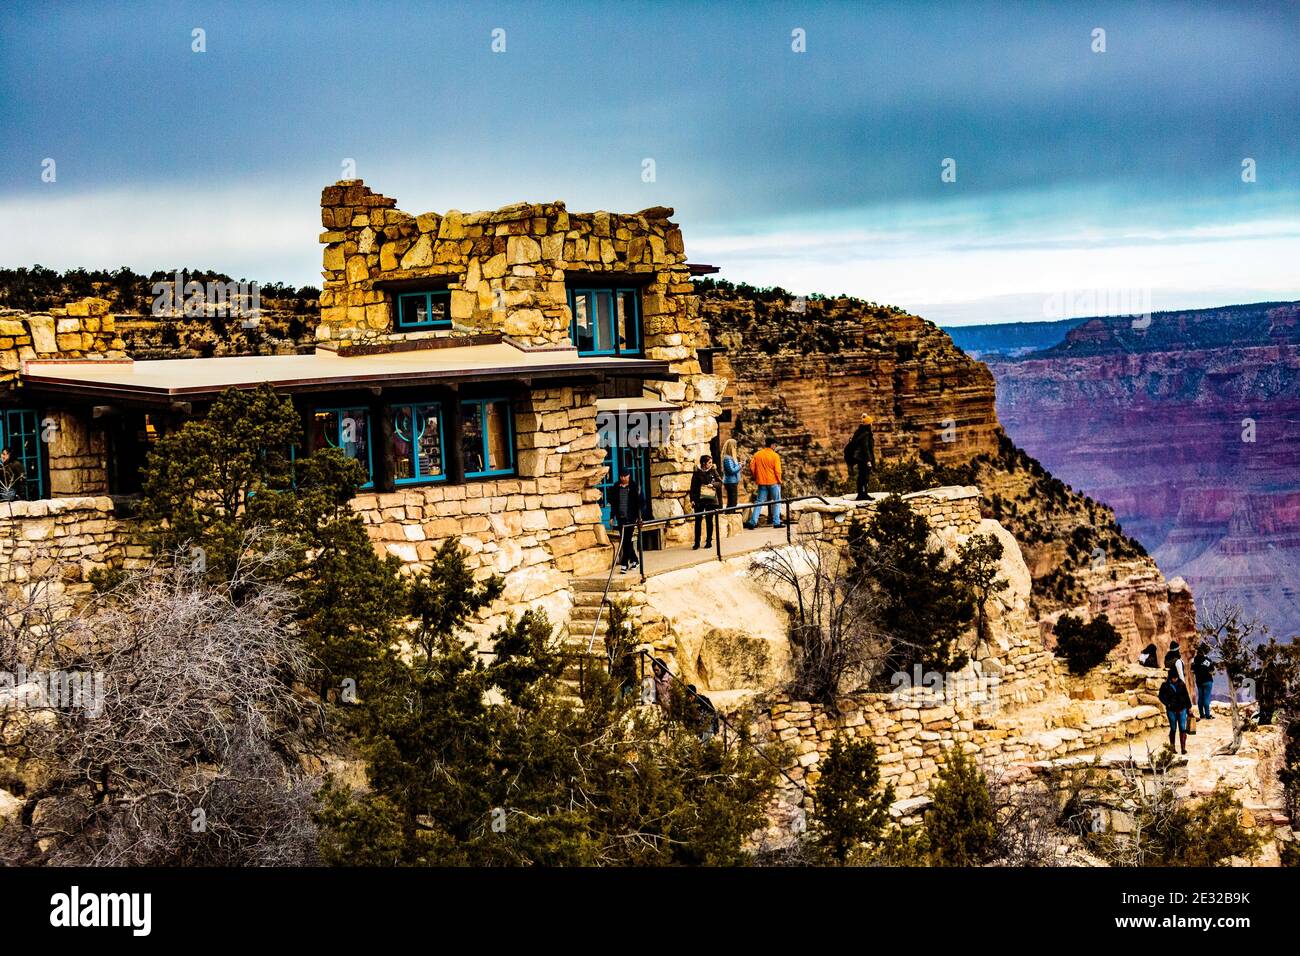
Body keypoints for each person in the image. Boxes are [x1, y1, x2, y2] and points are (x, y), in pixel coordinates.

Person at [609, 470, 645, 573]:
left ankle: (624, 564)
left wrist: (639, 516)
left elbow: (641, 503)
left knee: (626, 539)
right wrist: (612, 517)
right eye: (621, 476)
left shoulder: (634, 486)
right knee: (625, 540)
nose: (623, 478)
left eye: (625, 476)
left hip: (631, 518)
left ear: (629, 476)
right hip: (621, 517)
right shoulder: (616, 487)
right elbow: (614, 504)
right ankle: (635, 560)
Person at [743, 437, 783, 530]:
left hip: (761, 482)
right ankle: (776, 522)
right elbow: (778, 471)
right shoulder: (775, 456)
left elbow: (752, 467)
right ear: (772, 445)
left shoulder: (757, 454)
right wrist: (779, 481)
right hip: (773, 482)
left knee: (759, 502)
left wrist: (757, 476)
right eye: (775, 445)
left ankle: (753, 522)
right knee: (777, 501)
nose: (776, 447)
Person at [689, 454, 723, 550]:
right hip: (699, 499)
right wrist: (692, 500)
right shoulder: (697, 472)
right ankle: (697, 542)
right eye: (709, 462)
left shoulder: (713, 470)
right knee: (698, 521)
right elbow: (693, 487)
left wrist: (713, 485)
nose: (711, 464)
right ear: (704, 463)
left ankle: (709, 541)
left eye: (711, 462)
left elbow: (720, 482)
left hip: (711, 499)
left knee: (709, 520)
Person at [1158, 667, 1193, 755]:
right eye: (1173, 678)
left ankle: (1183, 748)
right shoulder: (1165, 685)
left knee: (1182, 728)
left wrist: (1189, 708)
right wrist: (1167, 704)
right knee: (1173, 729)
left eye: (1176, 677)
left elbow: (1186, 696)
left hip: (1182, 709)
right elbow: (1161, 696)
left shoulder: (1181, 684)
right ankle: (1172, 748)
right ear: (1170, 677)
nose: (1175, 679)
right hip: (1171, 710)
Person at [844, 412, 877, 499]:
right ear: (868, 424)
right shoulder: (866, 434)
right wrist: (868, 460)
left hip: (859, 458)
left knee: (861, 476)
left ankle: (861, 494)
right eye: (871, 423)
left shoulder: (859, 432)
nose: (872, 424)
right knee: (864, 476)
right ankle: (863, 494)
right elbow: (865, 448)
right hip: (863, 458)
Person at [1192, 647, 1215, 720]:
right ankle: (1207, 715)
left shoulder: (1194, 660)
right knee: (1206, 698)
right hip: (1207, 681)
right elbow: (1212, 670)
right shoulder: (1207, 660)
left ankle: (1201, 714)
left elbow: (1192, 671)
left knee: (1200, 697)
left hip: (1199, 681)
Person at [720, 438, 742, 509]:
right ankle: (729, 516)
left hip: (733, 482)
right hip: (730, 482)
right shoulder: (727, 458)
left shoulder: (730, 458)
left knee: (733, 502)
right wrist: (740, 466)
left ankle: (730, 516)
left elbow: (732, 467)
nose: (736, 448)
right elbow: (731, 471)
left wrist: (738, 464)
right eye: (734, 446)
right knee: (732, 502)